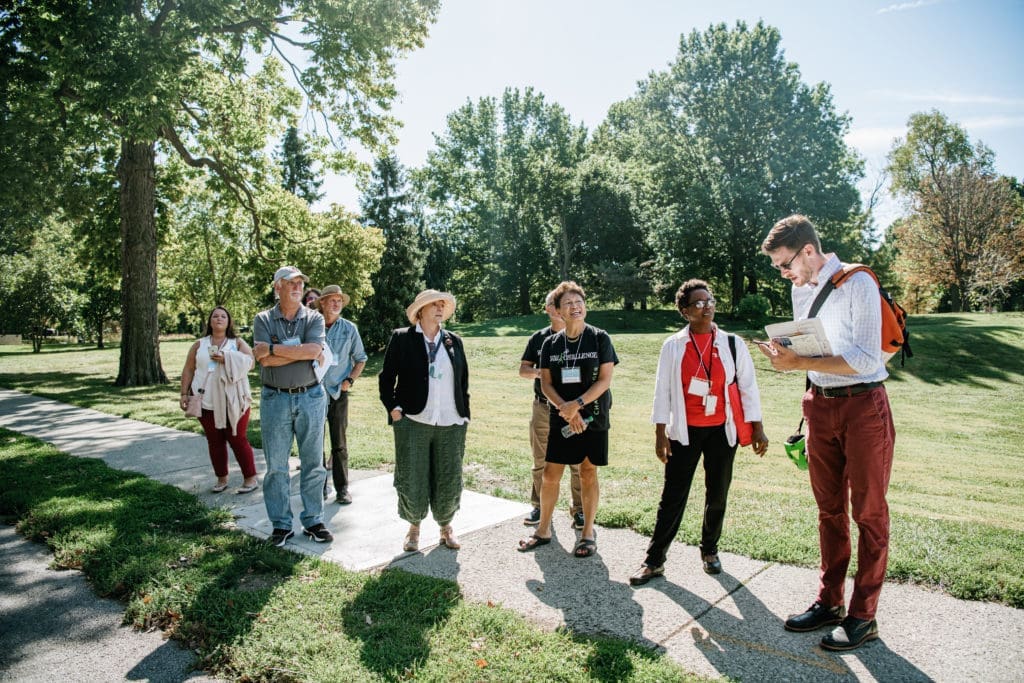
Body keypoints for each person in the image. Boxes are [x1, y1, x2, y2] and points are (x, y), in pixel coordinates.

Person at [759, 214, 895, 652]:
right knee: (829, 510)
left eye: (785, 264)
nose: (785, 274)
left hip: (863, 405)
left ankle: (864, 615)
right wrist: (788, 356)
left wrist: (800, 363)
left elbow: (865, 356)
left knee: (869, 513)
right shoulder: (802, 290)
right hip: (820, 404)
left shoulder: (858, 282)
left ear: (809, 252)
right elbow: (813, 350)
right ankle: (830, 601)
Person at [629, 280, 768, 586]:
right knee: (672, 497)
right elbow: (662, 391)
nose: (707, 307)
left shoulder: (732, 344)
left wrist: (757, 427)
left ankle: (710, 550)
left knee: (717, 493)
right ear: (685, 311)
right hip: (684, 432)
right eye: (699, 303)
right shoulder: (674, 346)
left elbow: (748, 387)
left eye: (710, 300)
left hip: (722, 430)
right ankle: (654, 561)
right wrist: (660, 432)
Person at [518, 281, 617, 558]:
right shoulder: (550, 343)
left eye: (579, 302)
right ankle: (543, 530)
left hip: (593, 416)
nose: (575, 307)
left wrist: (578, 406)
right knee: (551, 475)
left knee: (587, 471)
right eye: (568, 304)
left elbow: (605, 380)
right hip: (561, 414)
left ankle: (586, 534)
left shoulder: (600, 338)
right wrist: (565, 408)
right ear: (558, 311)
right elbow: (546, 383)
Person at [378, 289, 470, 552]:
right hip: (414, 420)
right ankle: (414, 528)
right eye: (434, 304)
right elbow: (386, 379)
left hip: (451, 422)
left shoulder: (453, 341)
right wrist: (394, 409)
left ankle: (445, 527)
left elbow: (462, 382)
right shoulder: (402, 338)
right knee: (412, 475)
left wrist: (465, 415)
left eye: (443, 305)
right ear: (420, 311)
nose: (440, 308)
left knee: (449, 477)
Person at [252, 266, 333, 547]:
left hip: (310, 396)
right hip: (275, 398)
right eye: (291, 283)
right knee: (276, 466)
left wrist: (274, 349)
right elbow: (262, 360)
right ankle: (281, 525)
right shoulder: (262, 319)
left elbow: (313, 351)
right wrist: (294, 352)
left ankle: (313, 520)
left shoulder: (314, 318)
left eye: (300, 283)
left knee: (313, 463)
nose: (298, 287)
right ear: (277, 287)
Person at [519, 289, 584, 529]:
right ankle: (539, 506)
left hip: (575, 411)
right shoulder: (539, 339)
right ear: (549, 309)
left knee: (577, 462)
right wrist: (542, 372)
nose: (559, 309)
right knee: (541, 460)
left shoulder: (582, 336)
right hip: (544, 408)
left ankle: (579, 510)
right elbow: (523, 370)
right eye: (554, 305)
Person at [179, 306, 259, 494]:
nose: (219, 318)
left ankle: (250, 478)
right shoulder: (199, 344)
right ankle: (221, 478)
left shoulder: (236, 342)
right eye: (215, 316)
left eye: (223, 316)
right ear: (209, 321)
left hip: (234, 401)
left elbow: (251, 362)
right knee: (214, 441)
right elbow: (189, 369)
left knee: (237, 438)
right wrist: (184, 393)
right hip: (205, 400)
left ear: (229, 321)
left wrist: (227, 358)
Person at [313, 284, 367, 505]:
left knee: (339, 444)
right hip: (313, 392)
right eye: (331, 300)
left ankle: (342, 488)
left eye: (339, 301)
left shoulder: (349, 328)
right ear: (322, 303)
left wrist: (349, 380)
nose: (336, 304)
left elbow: (361, 358)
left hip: (337, 393)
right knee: (315, 443)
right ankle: (319, 488)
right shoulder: (312, 327)